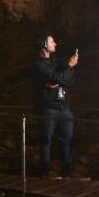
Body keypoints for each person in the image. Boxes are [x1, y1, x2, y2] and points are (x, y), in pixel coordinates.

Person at [31, 34, 79, 179]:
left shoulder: (56, 62)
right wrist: (69, 68)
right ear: (44, 45)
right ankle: (46, 171)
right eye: (52, 41)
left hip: (64, 107)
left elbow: (69, 80)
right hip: (48, 108)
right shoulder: (38, 65)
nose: (55, 43)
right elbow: (60, 78)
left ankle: (68, 171)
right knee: (46, 140)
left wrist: (63, 76)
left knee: (67, 140)